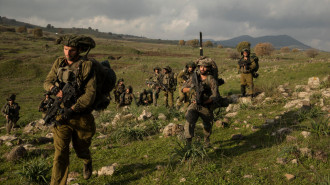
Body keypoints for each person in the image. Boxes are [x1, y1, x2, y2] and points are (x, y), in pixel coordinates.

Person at [44, 35, 97, 184]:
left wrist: (74, 108)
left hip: (81, 116)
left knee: (81, 149)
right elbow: (47, 81)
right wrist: (53, 88)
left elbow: (90, 94)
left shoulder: (86, 66)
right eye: (65, 49)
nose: (67, 53)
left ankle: (87, 161)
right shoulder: (59, 62)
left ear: (79, 50)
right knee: (60, 153)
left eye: (71, 50)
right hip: (61, 116)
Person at [182, 58, 219, 148]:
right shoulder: (194, 77)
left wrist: (205, 101)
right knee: (189, 121)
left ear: (208, 68)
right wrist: (191, 89)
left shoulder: (211, 80)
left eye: (204, 67)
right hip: (194, 104)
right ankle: (188, 144)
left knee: (207, 125)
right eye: (200, 67)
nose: (202, 69)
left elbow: (215, 96)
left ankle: (206, 140)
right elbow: (183, 89)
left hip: (205, 105)